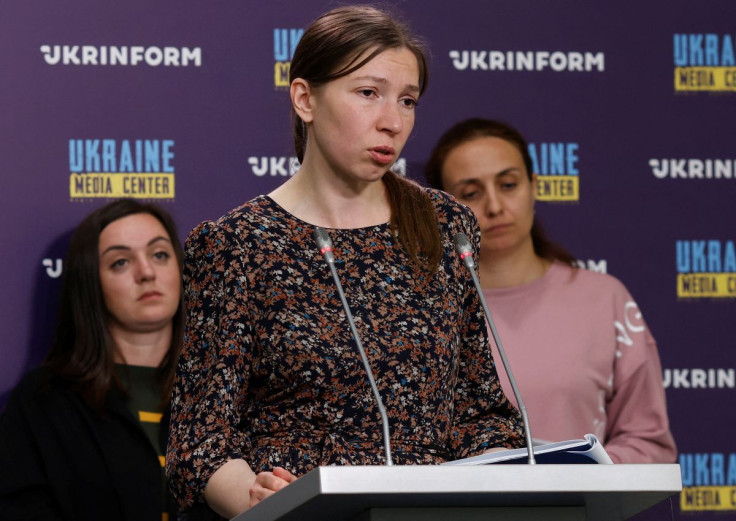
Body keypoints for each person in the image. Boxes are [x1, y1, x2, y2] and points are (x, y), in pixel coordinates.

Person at [165, 5, 524, 519]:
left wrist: (505, 468)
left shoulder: (446, 225)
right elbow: (200, 444)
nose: (393, 121)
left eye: (407, 100)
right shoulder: (237, 244)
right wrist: (258, 500)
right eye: (368, 93)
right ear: (305, 98)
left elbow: (476, 409)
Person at [425, 117, 677, 464]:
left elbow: (650, 445)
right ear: (443, 210)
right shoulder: (424, 313)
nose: (495, 206)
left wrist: (575, 473)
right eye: (471, 193)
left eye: (509, 184)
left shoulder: (605, 299)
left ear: (533, 186)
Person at [0, 200, 192, 520]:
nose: (146, 272)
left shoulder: (230, 389)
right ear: (91, 283)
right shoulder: (43, 403)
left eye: (159, 254)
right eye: (120, 262)